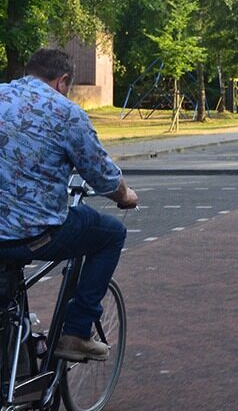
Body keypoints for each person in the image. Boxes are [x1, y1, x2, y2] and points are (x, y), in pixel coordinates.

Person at [0, 48, 138, 362]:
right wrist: (126, 196)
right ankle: (76, 333)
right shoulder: (66, 112)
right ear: (63, 81)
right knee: (110, 234)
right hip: (35, 234)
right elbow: (102, 175)